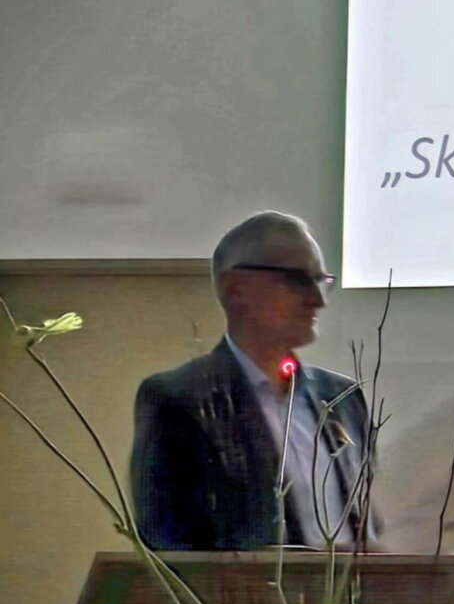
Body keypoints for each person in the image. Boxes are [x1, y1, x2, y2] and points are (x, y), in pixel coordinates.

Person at [130, 211, 377, 550]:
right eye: (297, 280)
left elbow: (368, 519)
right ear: (234, 288)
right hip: (245, 587)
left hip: (355, 586)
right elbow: (167, 542)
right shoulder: (179, 399)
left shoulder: (343, 397)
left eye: (320, 281)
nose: (317, 300)